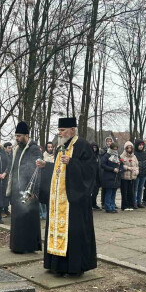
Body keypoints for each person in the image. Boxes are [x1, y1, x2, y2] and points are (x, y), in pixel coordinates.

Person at [37, 117, 97, 276]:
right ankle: (55, 265)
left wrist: (72, 162)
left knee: (73, 234)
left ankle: (73, 267)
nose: (60, 133)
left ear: (72, 130)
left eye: (62, 130)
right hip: (58, 201)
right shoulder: (60, 147)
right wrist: (46, 166)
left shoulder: (83, 145)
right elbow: (58, 172)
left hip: (74, 200)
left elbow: (91, 170)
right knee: (55, 230)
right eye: (59, 131)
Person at [6, 121, 42, 253]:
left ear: (26, 136)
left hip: (28, 189)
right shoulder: (17, 148)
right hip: (17, 187)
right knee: (17, 219)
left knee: (27, 218)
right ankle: (17, 246)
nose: (17, 138)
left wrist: (33, 191)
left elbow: (37, 170)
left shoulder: (33, 148)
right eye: (16, 136)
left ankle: (28, 246)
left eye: (19, 136)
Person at [101, 142, 123, 213]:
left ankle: (113, 206)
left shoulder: (117, 156)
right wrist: (112, 169)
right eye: (114, 149)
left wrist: (120, 169)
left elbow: (121, 165)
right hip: (108, 177)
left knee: (114, 193)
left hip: (116, 178)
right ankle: (108, 207)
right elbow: (103, 164)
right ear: (111, 149)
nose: (115, 151)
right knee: (109, 193)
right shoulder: (106, 156)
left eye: (116, 149)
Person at [120, 141, 138, 211]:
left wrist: (136, 171)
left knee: (131, 191)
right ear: (125, 148)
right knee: (124, 192)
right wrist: (127, 168)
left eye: (130, 147)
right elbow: (121, 165)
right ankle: (124, 205)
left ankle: (131, 205)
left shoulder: (134, 156)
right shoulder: (122, 156)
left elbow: (137, 165)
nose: (129, 149)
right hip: (124, 177)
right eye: (128, 147)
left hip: (132, 177)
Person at [40, 142, 55, 220]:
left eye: (51, 147)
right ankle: (44, 213)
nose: (50, 148)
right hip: (45, 179)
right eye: (48, 147)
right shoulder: (43, 156)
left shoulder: (55, 156)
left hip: (53, 178)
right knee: (45, 198)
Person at [133, 139, 146, 209]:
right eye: (140, 145)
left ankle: (139, 202)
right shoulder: (134, 153)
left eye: (142, 145)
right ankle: (134, 202)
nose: (141, 146)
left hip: (144, 174)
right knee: (135, 189)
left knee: (141, 189)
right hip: (137, 174)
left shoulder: (145, 153)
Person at [100, 136, 113, 209]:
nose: (109, 143)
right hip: (104, 170)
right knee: (104, 187)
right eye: (107, 141)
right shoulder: (103, 150)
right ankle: (103, 203)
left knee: (110, 188)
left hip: (111, 170)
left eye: (110, 141)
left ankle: (110, 202)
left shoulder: (114, 150)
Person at [2, 142, 13, 217]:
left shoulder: (12, 155)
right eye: (9, 148)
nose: (10, 149)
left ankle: (6, 209)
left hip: (10, 176)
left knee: (8, 194)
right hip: (4, 176)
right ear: (5, 148)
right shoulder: (2, 155)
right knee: (4, 194)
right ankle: (2, 210)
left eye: (11, 148)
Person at [90, 142, 102, 210]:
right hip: (91, 176)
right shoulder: (89, 156)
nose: (94, 149)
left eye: (95, 147)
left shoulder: (98, 156)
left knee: (96, 191)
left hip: (97, 175)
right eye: (93, 147)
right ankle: (90, 204)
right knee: (91, 192)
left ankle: (94, 204)